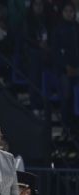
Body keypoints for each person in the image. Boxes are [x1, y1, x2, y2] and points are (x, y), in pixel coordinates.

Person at [51, 2, 79, 130]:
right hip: (63, 69)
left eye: (71, 11)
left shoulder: (77, 27)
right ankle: (66, 124)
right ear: (62, 13)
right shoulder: (58, 29)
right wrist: (66, 67)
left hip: (77, 68)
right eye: (66, 11)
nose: (69, 13)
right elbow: (56, 52)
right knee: (66, 95)